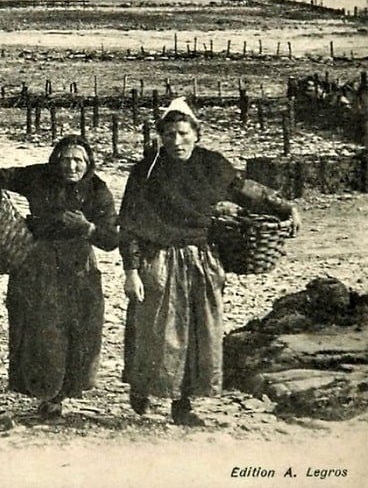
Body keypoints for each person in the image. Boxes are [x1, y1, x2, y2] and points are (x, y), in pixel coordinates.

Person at [119, 97, 301, 426]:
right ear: (161, 135)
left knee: (197, 331)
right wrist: (131, 271)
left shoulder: (212, 165)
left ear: (197, 134)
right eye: (170, 134)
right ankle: (142, 387)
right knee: (152, 328)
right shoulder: (146, 171)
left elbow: (244, 190)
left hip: (201, 258)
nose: (177, 141)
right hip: (157, 258)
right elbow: (130, 224)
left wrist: (284, 207)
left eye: (184, 133)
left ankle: (183, 404)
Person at [0, 135, 118, 420]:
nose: (71, 166)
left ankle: (65, 390)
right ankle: (48, 394)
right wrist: (0, 210)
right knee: (42, 330)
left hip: (79, 266)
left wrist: (87, 227)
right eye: (65, 159)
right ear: (56, 160)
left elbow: (111, 239)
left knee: (77, 327)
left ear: (88, 163)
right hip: (39, 263)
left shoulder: (97, 189)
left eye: (78, 160)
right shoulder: (39, 177)